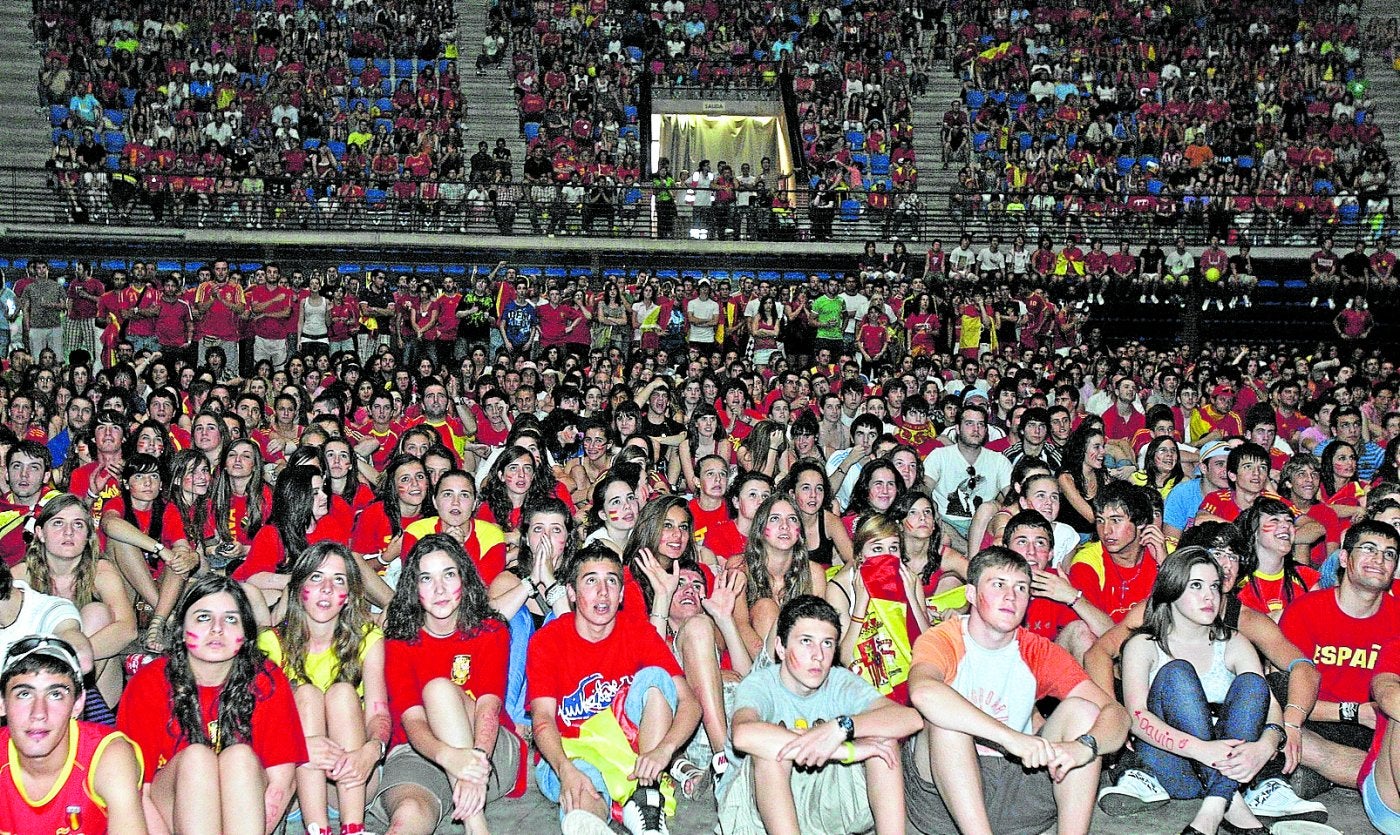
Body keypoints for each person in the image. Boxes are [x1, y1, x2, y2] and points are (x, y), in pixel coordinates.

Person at [904, 547, 1129, 835]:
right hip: (943, 798)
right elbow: (923, 692)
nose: (1011, 596)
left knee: (1085, 711)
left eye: (1021, 588)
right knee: (946, 719)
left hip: (1017, 788)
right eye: (998, 584)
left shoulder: (1035, 649)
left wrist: (1085, 746)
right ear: (971, 594)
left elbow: (1117, 715)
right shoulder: (943, 638)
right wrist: (1011, 739)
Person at [1098, 548, 1278, 835]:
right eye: (1196, 585)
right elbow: (1136, 717)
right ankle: (1233, 805)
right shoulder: (1144, 644)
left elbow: (1269, 706)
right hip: (1174, 763)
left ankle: (1215, 805)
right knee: (1177, 673)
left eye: (1215, 587)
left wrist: (1266, 745)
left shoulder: (1233, 641)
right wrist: (1201, 749)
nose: (1210, 596)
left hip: (1230, 764)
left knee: (1254, 683)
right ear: (1172, 588)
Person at [526, 543, 701, 834]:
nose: (602, 591)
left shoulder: (637, 631)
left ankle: (647, 798)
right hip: (570, 750)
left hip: (631, 750)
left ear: (621, 594)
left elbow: (690, 702)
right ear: (571, 593)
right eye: (591, 580)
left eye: (611, 581)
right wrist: (564, 769)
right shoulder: (548, 641)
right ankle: (594, 818)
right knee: (583, 793)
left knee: (656, 677)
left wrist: (664, 750)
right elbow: (542, 718)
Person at [116, 574, 307, 835]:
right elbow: (137, 791)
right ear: (182, 631)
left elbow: (280, 781)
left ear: (246, 633)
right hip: (168, 815)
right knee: (198, 759)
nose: (217, 629)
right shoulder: (149, 683)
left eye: (231, 619)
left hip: (247, 815)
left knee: (239, 756)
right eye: (203, 617)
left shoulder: (266, 679)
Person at [717, 594, 922, 834]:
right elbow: (743, 735)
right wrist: (841, 749)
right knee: (770, 755)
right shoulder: (760, 684)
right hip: (757, 814)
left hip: (826, 803)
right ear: (781, 648)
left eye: (827, 643)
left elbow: (911, 719)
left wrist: (841, 728)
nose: (818, 655)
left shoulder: (840, 681)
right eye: (806, 641)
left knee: (883, 741)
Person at [372, 533, 523, 835]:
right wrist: (450, 757)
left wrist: (474, 762)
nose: (439, 589)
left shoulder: (490, 629)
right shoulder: (399, 642)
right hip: (420, 751)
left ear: (464, 579)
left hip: (487, 748)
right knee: (407, 815)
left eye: (449, 574)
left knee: (439, 690)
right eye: (426, 578)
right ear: (413, 589)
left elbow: (488, 708)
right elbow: (412, 721)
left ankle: (476, 826)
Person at [257, 542, 388, 835]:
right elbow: (258, 724)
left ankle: (352, 828)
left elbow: (378, 712)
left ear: (349, 595)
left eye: (338, 580)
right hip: (289, 783)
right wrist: (299, 747)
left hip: (348, 781)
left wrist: (372, 750)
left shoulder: (369, 639)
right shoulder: (271, 643)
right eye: (316, 577)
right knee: (305, 694)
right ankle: (318, 829)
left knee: (342, 693)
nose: (327, 588)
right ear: (298, 586)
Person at [1277, 520, 1400, 796]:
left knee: (1299, 778)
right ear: (1344, 557)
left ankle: (1333, 771)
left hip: (1375, 732)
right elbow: (1285, 693)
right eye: (1369, 549)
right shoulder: (1305, 610)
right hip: (1311, 720)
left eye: (1390, 554)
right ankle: (1365, 776)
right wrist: (1355, 712)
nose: (1379, 559)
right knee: (1270, 701)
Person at [0, 635, 146, 834]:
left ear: (78, 704)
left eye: (55, 695)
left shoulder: (106, 755)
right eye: (24, 694)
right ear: (2, 703)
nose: (39, 713)